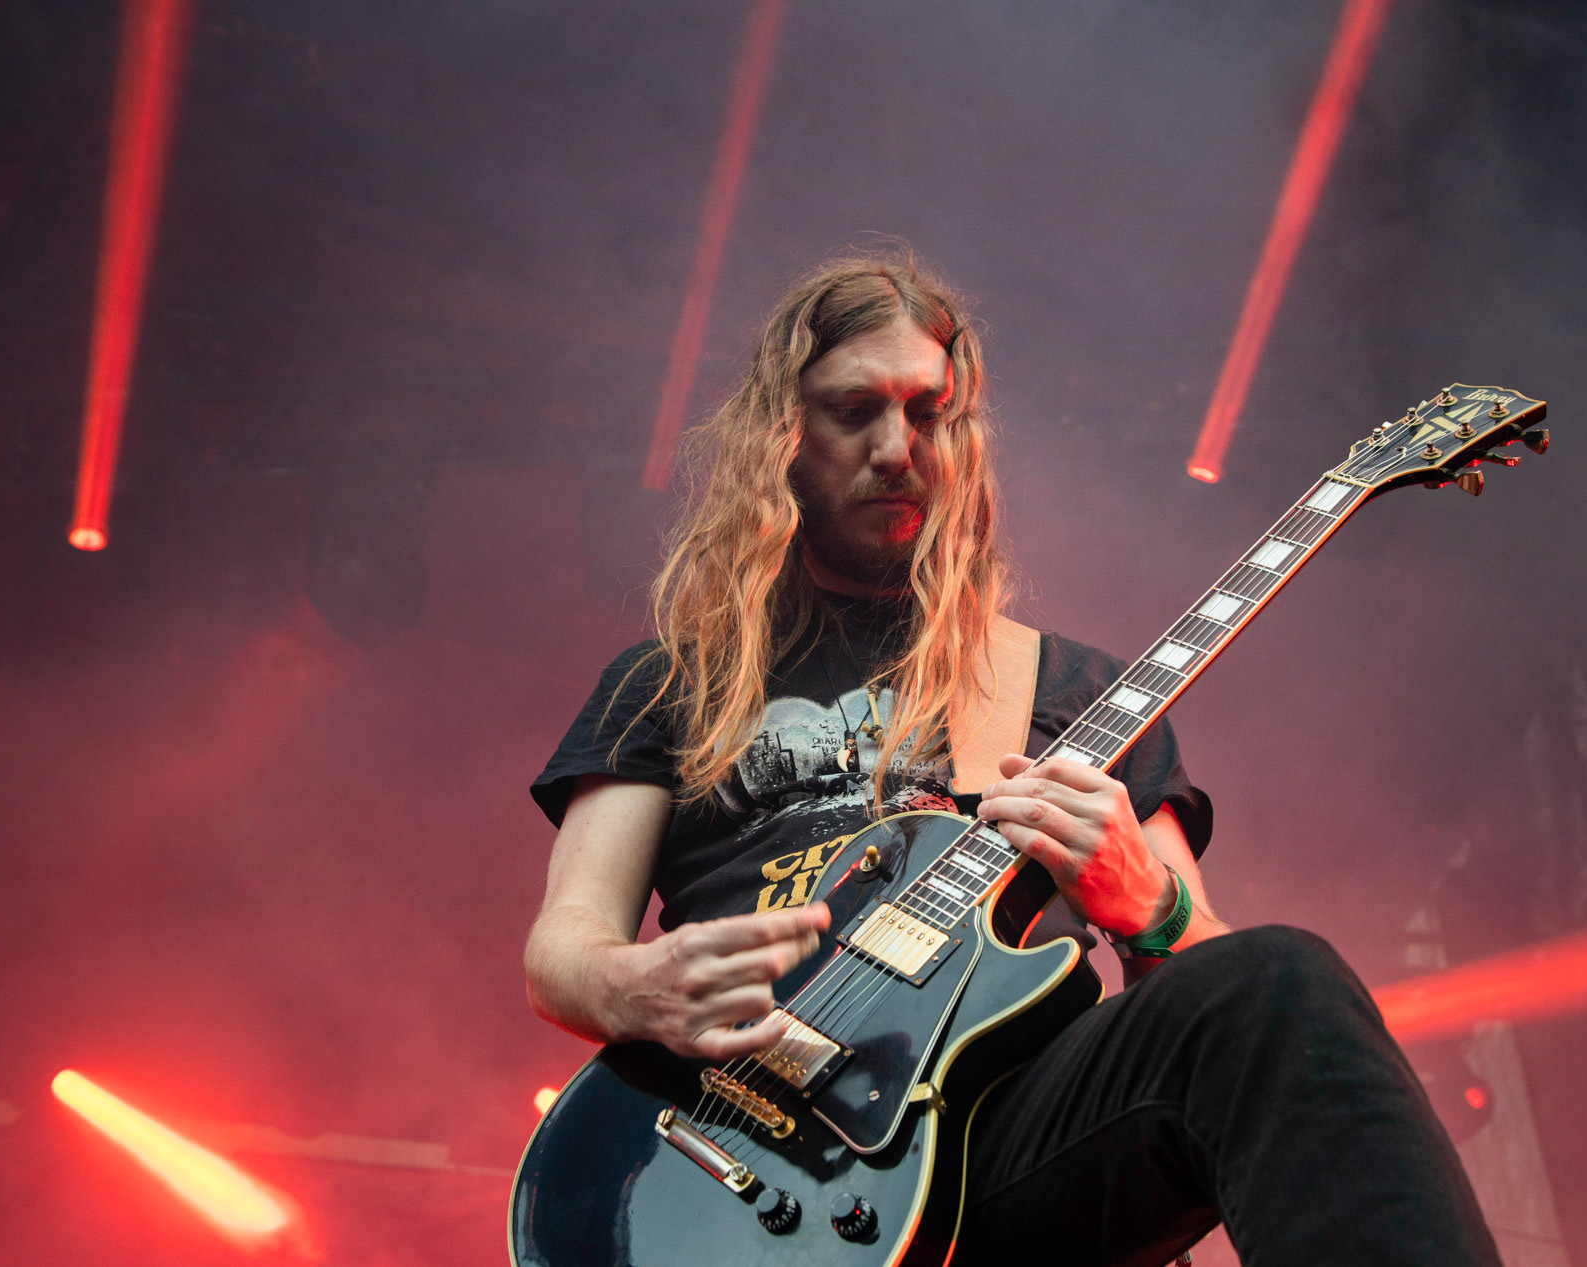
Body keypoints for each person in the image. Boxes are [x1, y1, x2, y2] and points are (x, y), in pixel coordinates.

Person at [524, 252, 1500, 1266]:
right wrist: (638, 989)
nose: (896, 448)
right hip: (732, 1143)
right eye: (854, 411)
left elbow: (1209, 989)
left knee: (1279, 982)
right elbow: (564, 948)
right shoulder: (669, 680)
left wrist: (1152, 905)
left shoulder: (1077, 691)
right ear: (783, 434)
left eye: (927, 412)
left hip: (1008, 1149)